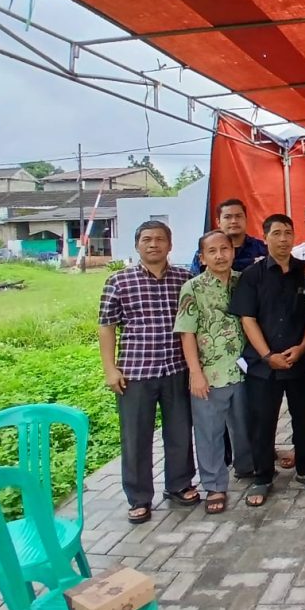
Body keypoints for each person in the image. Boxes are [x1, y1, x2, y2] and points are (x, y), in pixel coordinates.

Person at [98, 221, 198, 524]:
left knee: (180, 431)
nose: (153, 244)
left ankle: (179, 484)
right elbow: (106, 326)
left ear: (170, 245)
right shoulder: (119, 281)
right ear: (137, 245)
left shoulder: (185, 279)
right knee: (135, 437)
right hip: (136, 372)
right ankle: (139, 497)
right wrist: (110, 369)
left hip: (176, 368)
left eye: (159, 239)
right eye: (146, 239)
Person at [229, 214, 305, 507]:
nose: (283, 239)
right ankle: (263, 476)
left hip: (299, 361)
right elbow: (247, 319)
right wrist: (267, 355)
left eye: (288, 233)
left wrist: (302, 348)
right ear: (265, 237)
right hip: (263, 364)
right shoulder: (252, 276)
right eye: (276, 233)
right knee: (263, 422)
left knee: (304, 418)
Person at [174, 229, 253, 515]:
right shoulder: (193, 288)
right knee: (209, 432)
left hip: (245, 371)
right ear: (202, 257)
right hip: (210, 374)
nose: (220, 255)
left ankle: (247, 468)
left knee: (245, 427)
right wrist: (195, 372)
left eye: (225, 249)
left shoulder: (244, 281)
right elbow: (187, 333)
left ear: (233, 252)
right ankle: (215, 485)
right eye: (212, 251)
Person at [189, 198, 267, 274]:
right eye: (227, 217)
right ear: (218, 222)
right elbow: (193, 278)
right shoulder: (206, 252)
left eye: (238, 216)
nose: (234, 221)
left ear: (246, 219)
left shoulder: (262, 249)